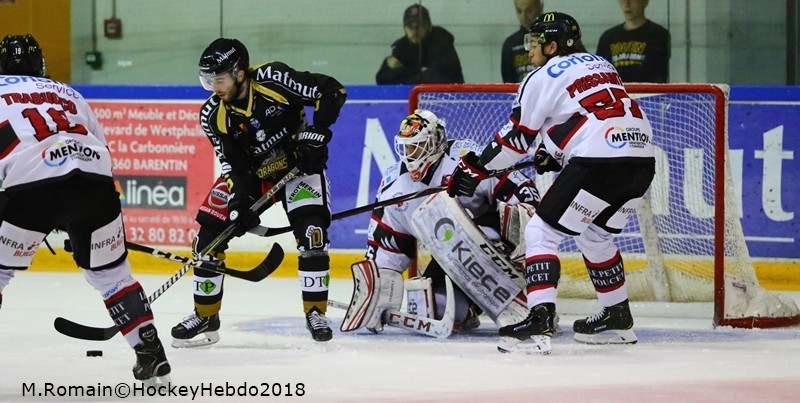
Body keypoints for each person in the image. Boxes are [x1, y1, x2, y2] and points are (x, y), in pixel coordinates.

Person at [447, 12, 656, 355]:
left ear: (552, 46)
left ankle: (540, 317)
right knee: (597, 236)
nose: (530, 50)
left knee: (541, 233)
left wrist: (475, 167)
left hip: (598, 157)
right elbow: (585, 112)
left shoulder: (541, 76)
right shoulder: (600, 63)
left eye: (535, 43)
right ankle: (617, 317)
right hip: (641, 158)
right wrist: (554, 151)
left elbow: (515, 139)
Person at [0, 34, 171, 383]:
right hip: (95, 189)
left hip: (31, 189)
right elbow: (100, 151)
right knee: (113, 277)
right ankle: (149, 351)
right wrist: (77, 222)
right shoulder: (70, 93)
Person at [170, 38, 347, 347]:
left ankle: (316, 312)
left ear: (239, 73)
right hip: (253, 176)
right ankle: (206, 315)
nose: (213, 87)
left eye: (219, 79)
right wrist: (240, 203)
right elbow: (233, 167)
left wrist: (316, 134)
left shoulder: (272, 79)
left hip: (298, 166)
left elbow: (331, 90)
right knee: (208, 237)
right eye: (207, 81)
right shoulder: (213, 115)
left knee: (313, 232)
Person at [341, 109, 541, 335]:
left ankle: (535, 298)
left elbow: (520, 189)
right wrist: (379, 287)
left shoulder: (468, 159)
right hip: (450, 258)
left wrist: (525, 214)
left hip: (492, 241)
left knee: (516, 223)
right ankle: (472, 307)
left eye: (416, 146)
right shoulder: (393, 187)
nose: (410, 154)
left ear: (435, 142)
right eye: (406, 147)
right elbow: (388, 245)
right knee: (437, 308)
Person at [375, 4, 465, 85]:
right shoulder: (401, 47)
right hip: (414, 99)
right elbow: (383, 79)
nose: (415, 30)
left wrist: (403, 71)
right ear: (404, 28)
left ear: (429, 26)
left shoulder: (442, 42)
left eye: (419, 25)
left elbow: (438, 76)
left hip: (451, 98)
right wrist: (417, 70)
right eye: (410, 26)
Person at [596, 0, 670, 83]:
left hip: (646, 93)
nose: (627, 4)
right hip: (616, 93)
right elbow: (601, 73)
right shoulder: (608, 37)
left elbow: (656, 73)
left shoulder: (658, 34)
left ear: (645, 1)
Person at [501, 0, 543, 83]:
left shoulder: (552, 38)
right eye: (519, 11)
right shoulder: (510, 44)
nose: (523, 16)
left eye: (529, 10)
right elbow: (508, 83)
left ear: (540, 8)